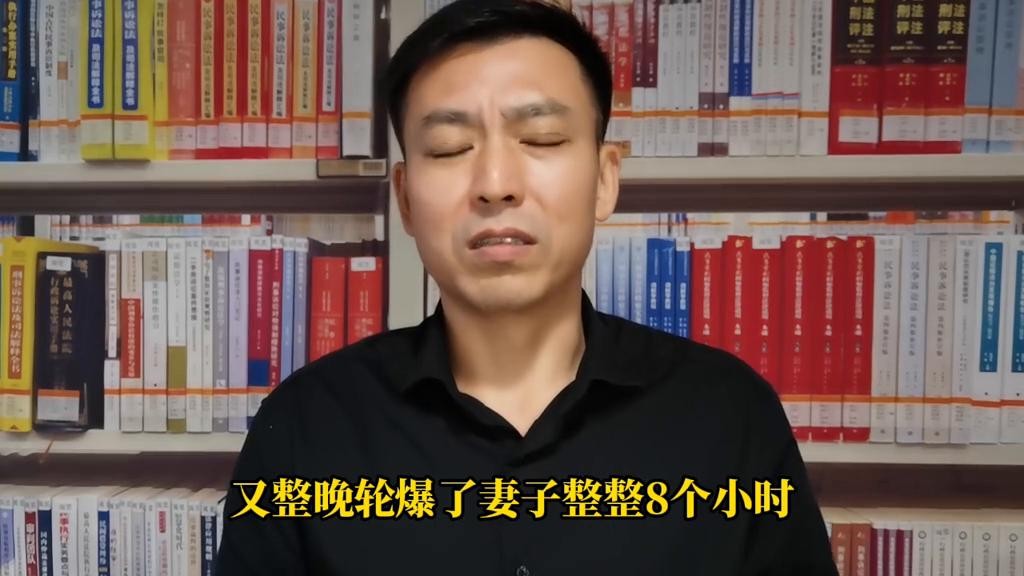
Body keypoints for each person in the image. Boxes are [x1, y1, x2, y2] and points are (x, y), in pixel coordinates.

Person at [216, 1, 839, 574]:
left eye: (542, 139)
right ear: (404, 198)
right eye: (450, 147)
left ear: (604, 179)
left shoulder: (729, 417)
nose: (495, 183)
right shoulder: (304, 427)